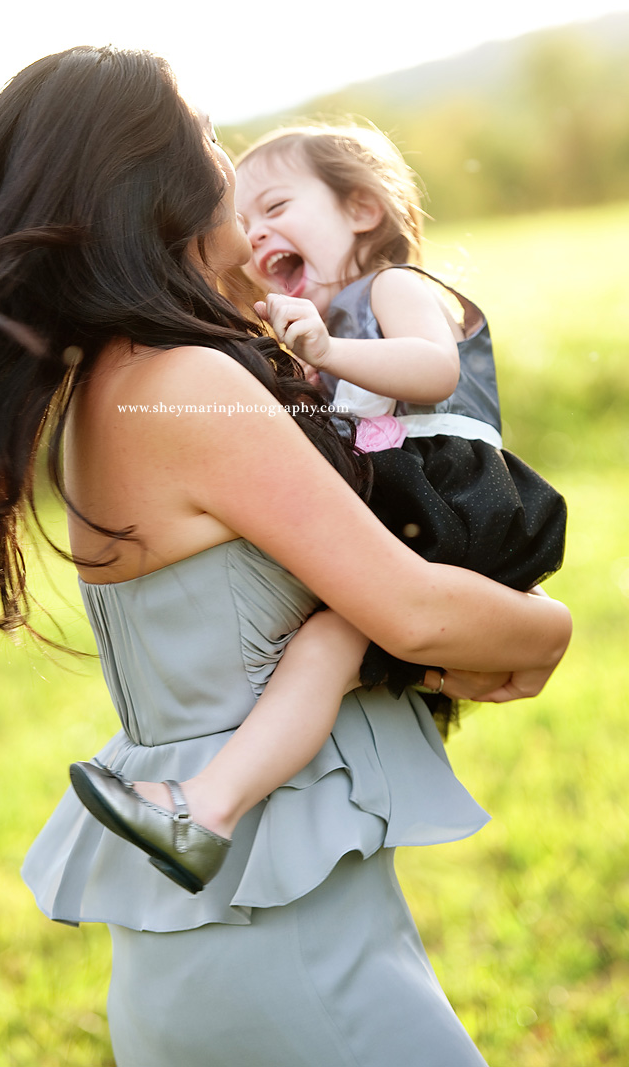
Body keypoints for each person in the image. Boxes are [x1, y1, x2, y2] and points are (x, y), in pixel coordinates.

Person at [0, 48, 571, 1066]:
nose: (228, 165)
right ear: (165, 189)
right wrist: (549, 625)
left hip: (238, 940)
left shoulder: (124, 380)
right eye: (210, 144)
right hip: (280, 951)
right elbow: (411, 612)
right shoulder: (183, 382)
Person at [71, 122, 568, 884]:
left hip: (448, 491)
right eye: (244, 219)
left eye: (275, 204)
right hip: (404, 498)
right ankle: (211, 804)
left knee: (331, 639)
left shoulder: (393, 286)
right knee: (333, 649)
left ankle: (208, 807)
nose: (256, 229)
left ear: (362, 209)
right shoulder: (319, 322)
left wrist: (326, 355)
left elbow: (432, 370)